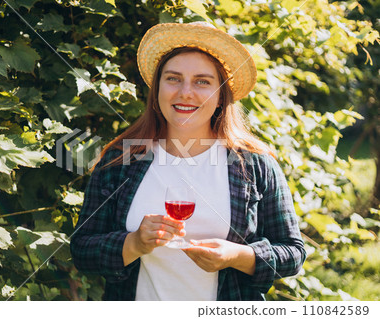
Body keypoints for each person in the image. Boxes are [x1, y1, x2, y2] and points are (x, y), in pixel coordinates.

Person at [70, 22, 306, 301]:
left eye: (202, 81)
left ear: (221, 96)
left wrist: (238, 256)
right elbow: (82, 249)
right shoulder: (122, 159)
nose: (185, 92)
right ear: (157, 89)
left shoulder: (254, 165)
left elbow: (293, 253)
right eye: (173, 78)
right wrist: (132, 243)